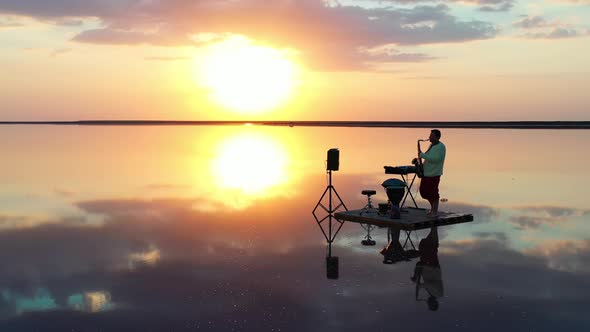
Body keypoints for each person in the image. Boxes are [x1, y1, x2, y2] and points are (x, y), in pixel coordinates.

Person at [411, 227, 443, 311]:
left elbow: (420, 267)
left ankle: (434, 227)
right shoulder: (439, 293)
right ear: (434, 303)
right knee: (431, 245)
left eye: (428, 305)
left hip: (426, 263)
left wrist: (416, 275)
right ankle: (434, 226)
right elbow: (432, 284)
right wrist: (421, 285)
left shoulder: (431, 292)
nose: (428, 302)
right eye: (430, 304)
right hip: (432, 264)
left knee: (427, 244)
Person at [417, 129, 446, 217]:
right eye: (430, 135)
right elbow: (429, 158)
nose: (429, 137)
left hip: (434, 173)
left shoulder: (441, 147)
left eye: (431, 136)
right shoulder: (431, 145)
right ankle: (432, 209)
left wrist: (422, 155)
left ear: (437, 137)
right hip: (426, 173)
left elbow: (436, 159)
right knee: (424, 192)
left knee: (433, 193)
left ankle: (434, 212)